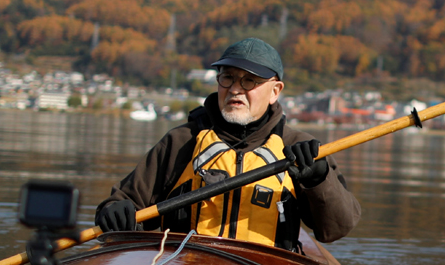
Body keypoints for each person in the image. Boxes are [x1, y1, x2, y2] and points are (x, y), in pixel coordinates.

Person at [95, 38, 360, 249]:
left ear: (275, 91)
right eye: (228, 77)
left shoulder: (300, 147)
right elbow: (123, 201)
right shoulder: (181, 142)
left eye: (249, 81)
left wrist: (318, 178)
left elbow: (336, 229)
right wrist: (115, 211)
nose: (235, 89)